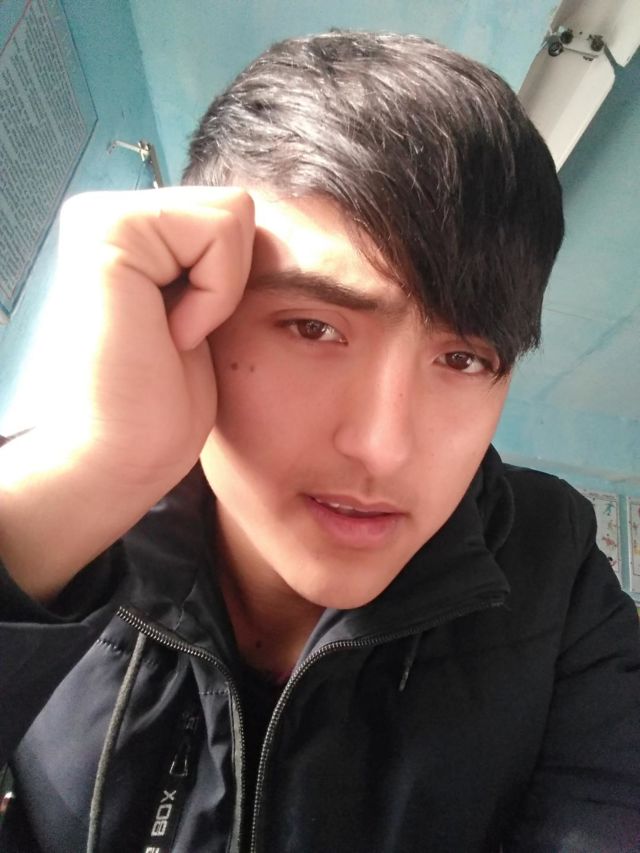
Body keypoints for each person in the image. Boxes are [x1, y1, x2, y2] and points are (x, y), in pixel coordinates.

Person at [0, 30, 638, 853]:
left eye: (463, 358)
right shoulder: (55, 517)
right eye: (313, 326)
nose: (382, 446)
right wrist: (90, 472)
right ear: (189, 309)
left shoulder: (551, 561)